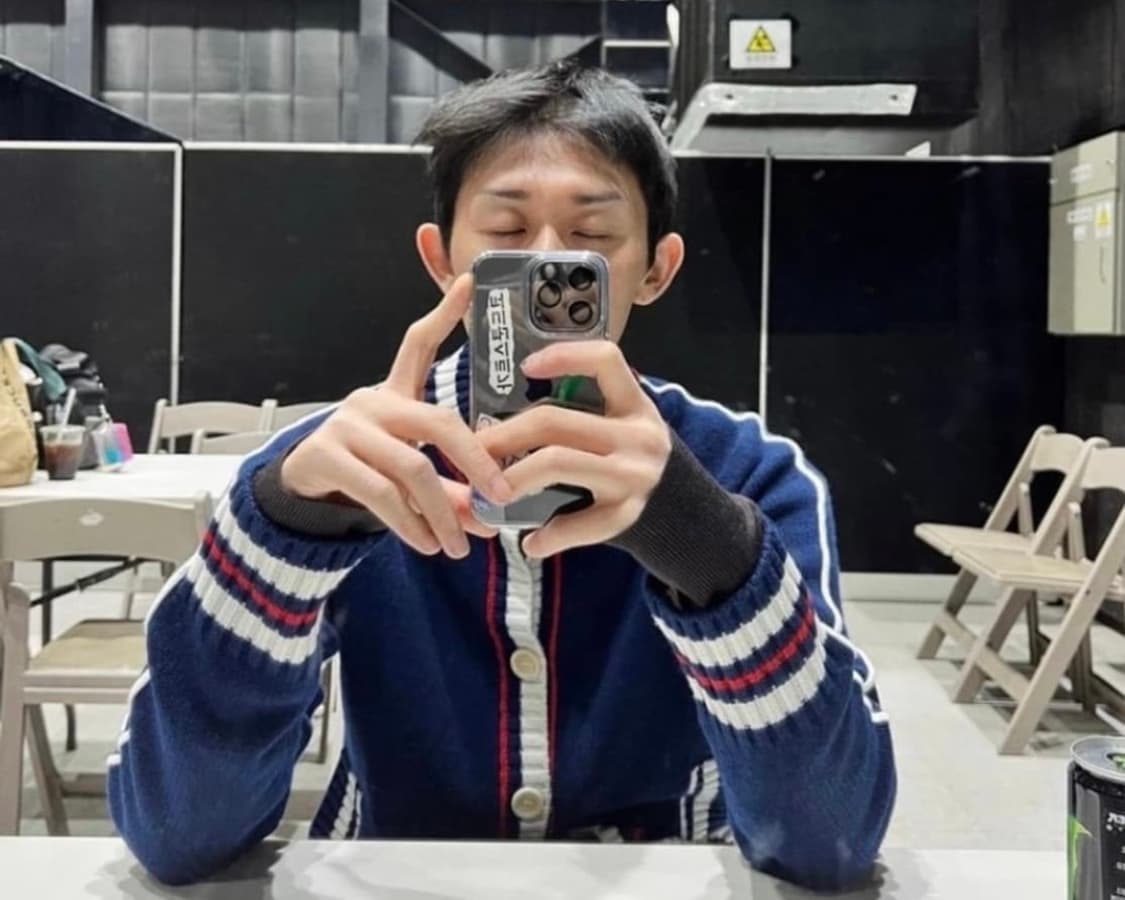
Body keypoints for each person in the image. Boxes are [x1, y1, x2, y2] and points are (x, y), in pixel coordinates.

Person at [108, 60, 896, 890]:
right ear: (442, 259)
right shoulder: (342, 468)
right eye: (506, 231)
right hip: (392, 877)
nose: (546, 267)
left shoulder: (744, 473)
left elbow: (828, 846)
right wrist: (282, 533)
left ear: (656, 268)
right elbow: (178, 835)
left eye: (592, 236)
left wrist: (702, 541)